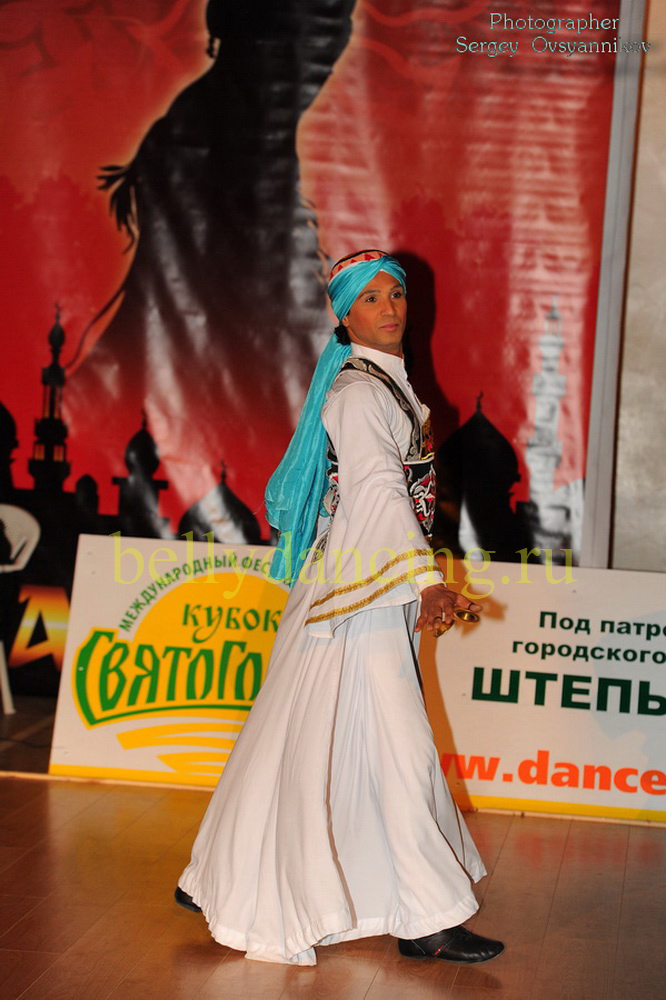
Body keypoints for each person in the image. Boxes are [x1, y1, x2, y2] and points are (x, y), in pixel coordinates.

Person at [176, 249, 504, 967]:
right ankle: (425, 919)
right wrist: (426, 580)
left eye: (396, 295)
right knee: (401, 750)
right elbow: (378, 490)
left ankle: (214, 874)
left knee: (290, 732)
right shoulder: (359, 395)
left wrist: (416, 578)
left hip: (359, 584)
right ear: (344, 314)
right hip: (361, 591)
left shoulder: (385, 384)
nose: (389, 308)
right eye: (371, 299)